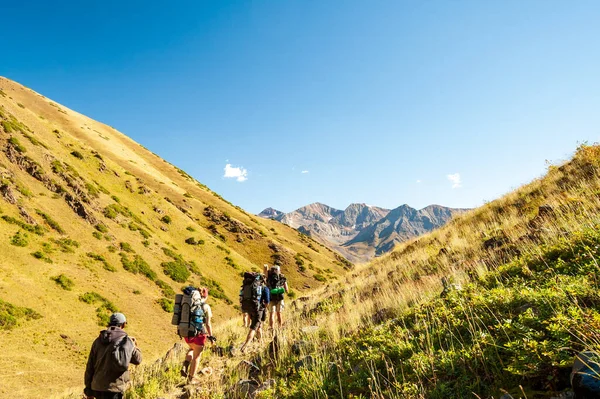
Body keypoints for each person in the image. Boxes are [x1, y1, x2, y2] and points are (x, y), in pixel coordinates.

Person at [84, 313, 142, 399]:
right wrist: (134, 345)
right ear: (123, 324)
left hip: (97, 387)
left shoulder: (98, 341)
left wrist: (88, 390)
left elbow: (90, 366)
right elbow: (138, 360)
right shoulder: (126, 341)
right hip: (115, 388)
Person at [180, 287, 216, 383]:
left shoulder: (189, 304)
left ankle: (185, 365)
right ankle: (191, 379)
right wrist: (211, 337)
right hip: (199, 334)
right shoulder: (205, 306)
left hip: (187, 333)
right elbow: (208, 324)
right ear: (205, 295)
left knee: (192, 349)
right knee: (197, 356)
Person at [239, 272, 269, 353]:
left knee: (258, 326)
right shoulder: (264, 288)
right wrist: (263, 308)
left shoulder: (250, 286)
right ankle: (245, 345)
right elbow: (267, 301)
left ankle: (261, 342)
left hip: (249, 308)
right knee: (253, 328)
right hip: (258, 309)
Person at [267, 264, 289, 329]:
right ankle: (280, 327)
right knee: (279, 313)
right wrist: (281, 290)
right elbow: (287, 290)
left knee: (272, 314)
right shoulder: (282, 278)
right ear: (279, 271)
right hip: (280, 298)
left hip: (271, 298)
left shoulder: (269, 278)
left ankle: (271, 328)